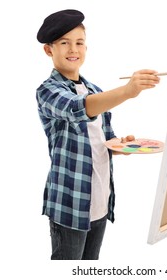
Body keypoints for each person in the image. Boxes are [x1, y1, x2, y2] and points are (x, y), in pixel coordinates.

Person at [36, 9, 160, 260]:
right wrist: (127, 91)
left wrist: (122, 144)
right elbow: (77, 108)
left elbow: (105, 138)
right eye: (64, 43)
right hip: (70, 204)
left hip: (99, 201)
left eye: (79, 43)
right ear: (49, 50)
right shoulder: (47, 91)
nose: (74, 49)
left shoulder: (94, 89)